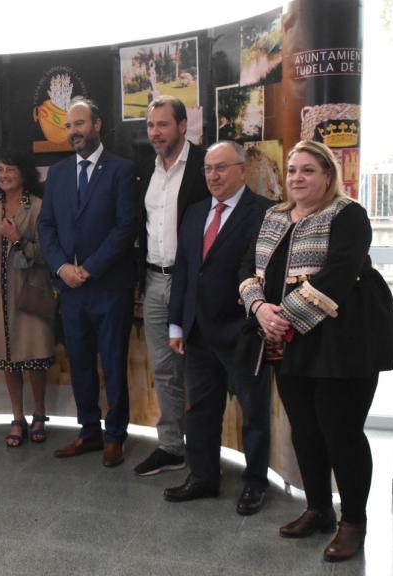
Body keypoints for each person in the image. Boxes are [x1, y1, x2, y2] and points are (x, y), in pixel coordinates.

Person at [238, 140, 393, 561]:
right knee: (304, 429)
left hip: (344, 339)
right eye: (292, 171)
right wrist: (259, 308)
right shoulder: (273, 216)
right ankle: (319, 509)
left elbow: (341, 273)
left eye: (308, 170)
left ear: (328, 175)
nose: (297, 178)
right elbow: (247, 268)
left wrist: (281, 315)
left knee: (340, 433)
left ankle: (354, 522)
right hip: (289, 341)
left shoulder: (349, 214)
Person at [162, 141, 274, 516]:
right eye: (208, 169)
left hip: (243, 333)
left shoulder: (264, 213)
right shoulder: (194, 213)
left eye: (222, 168)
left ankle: (256, 484)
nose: (214, 176)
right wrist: (177, 323)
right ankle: (203, 478)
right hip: (197, 334)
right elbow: (184, 271)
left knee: (254, 414)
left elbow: (263, 274)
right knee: (201, 413)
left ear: (243, 170)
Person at [37, 97, 137, 467]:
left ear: (97, 124)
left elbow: (126, 228)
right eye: (67, 126)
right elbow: (47, 226)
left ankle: (115, 436)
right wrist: (62, 267)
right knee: (79, 364)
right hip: (71, 291)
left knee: (112, 364)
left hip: (109, 287)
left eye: (79, 124)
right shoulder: (59, 173)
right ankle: (89, 432)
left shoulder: (122, 170)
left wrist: (89, 268)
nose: (73, 132)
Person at [133, 94, 209, 476]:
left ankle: (202, 451)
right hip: (154, 280)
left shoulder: (203, 166)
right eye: (151, 125)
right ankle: (170, 447)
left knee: (198, 370)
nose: (156, 132)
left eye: (163, 124)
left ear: (183, 126)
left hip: (192, 283)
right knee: (163, 369)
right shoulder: (148, 169)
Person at [0, 149, 54, 447]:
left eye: (10, 169)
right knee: (9, 359)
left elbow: (48, 253)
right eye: (0, 170)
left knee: (34, 358)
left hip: (30, 293)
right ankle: (17, 416)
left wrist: (17, 241)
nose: (5, 176)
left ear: (24, 173)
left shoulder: (38, 207)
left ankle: (40, 413)